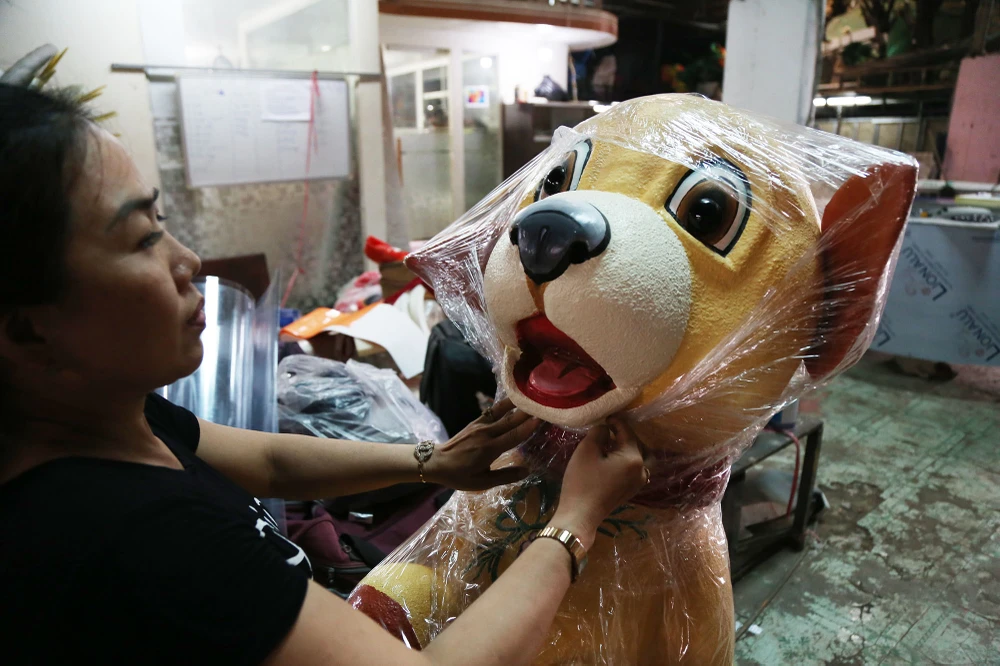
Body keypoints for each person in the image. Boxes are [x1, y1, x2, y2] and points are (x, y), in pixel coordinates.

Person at [0, 83, 649, 665]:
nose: (187, 260)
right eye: (142, 238)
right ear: (28, 332)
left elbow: (270, 463)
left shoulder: (116, 418)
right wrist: (577, 519)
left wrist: (433, 462)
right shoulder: (142, 538)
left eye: (161, 222)